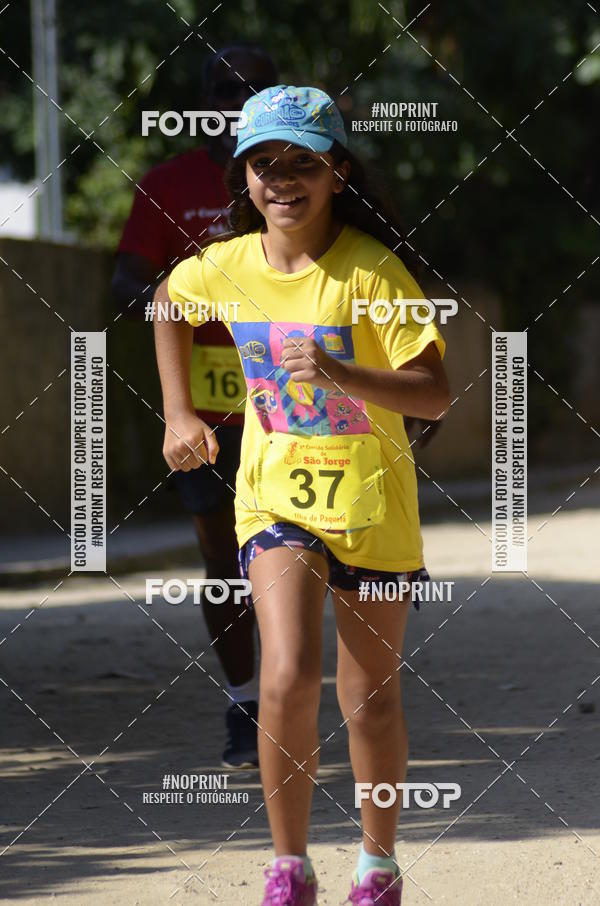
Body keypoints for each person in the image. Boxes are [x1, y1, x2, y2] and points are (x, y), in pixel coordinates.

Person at [153, 85, 450, 906]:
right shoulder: (228, 266)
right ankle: (289, 868)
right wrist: (180, 412)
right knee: (285, 671)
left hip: (372, 506)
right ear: (243, 175)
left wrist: (344, 373)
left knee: (374, 703)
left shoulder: (371, 271)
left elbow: (434, 393)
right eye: (263, 163)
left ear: (337, 172)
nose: (282, 180)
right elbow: (168, 304)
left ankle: (378, 865)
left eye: (302, 163)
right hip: (274, 500)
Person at [112, 45, 279, 769]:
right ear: (204, 98)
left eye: (253, 88)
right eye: (225, 88)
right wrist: (179, 307)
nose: (237, 99)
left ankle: (290, 693)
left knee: (289, 550)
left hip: (289, 398)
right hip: (206, 407)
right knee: (221, 557)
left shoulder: (292, 178)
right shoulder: (167, 184)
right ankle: (246, 703)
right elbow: (125, 281)